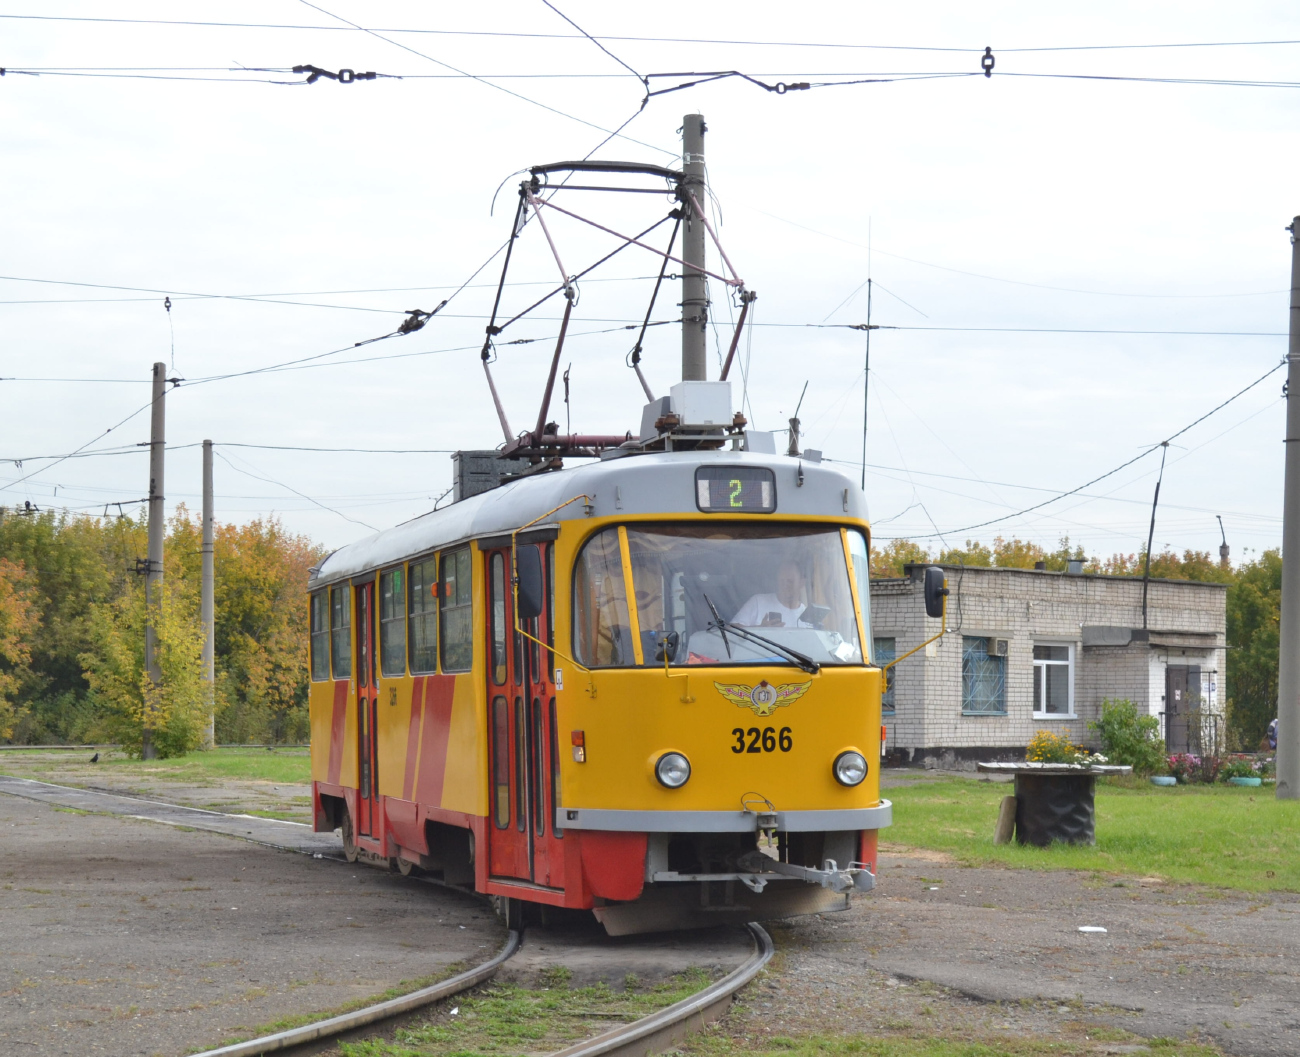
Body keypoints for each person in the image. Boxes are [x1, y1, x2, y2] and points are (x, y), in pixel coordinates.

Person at [733, 560, 813, 628]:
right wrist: (759, 629)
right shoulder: (758, 602)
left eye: (790, 582)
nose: (785, 585)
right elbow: (729, 631)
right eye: (782, 581)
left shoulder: (807, 617)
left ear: (802, 583)